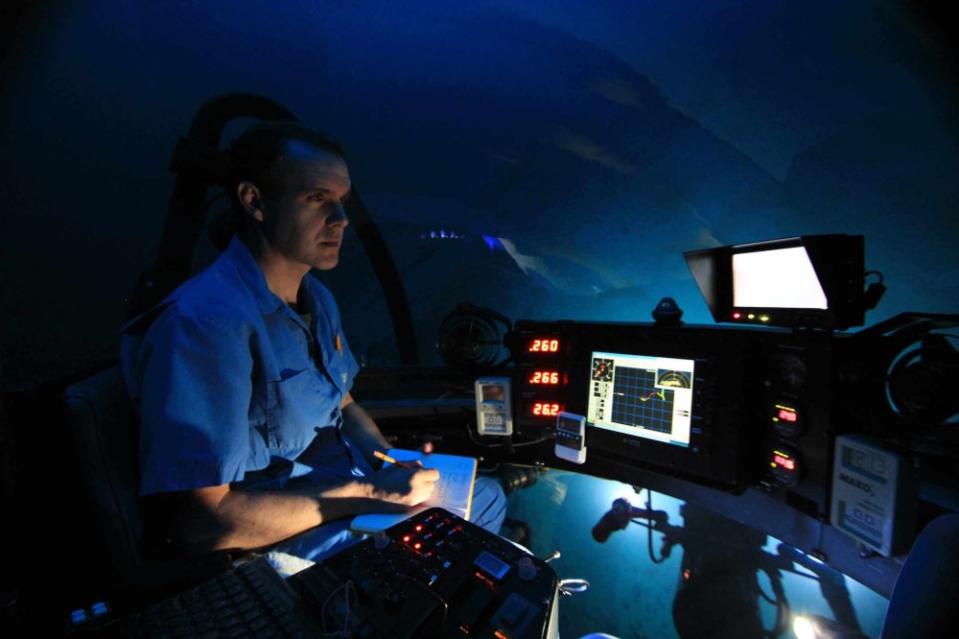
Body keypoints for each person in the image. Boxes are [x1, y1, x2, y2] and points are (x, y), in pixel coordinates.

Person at [121, 121, 506, 569]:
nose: (341, 220)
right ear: (254, 201)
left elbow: (344, 406)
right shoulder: (207, 323)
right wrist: (374, 494)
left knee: (488, 499)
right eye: (317, 198)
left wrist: (395, 466)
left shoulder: (317, 299)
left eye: (341, 201)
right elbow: (203, 523)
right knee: (451, 558)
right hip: (273, 535)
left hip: (340, 488)